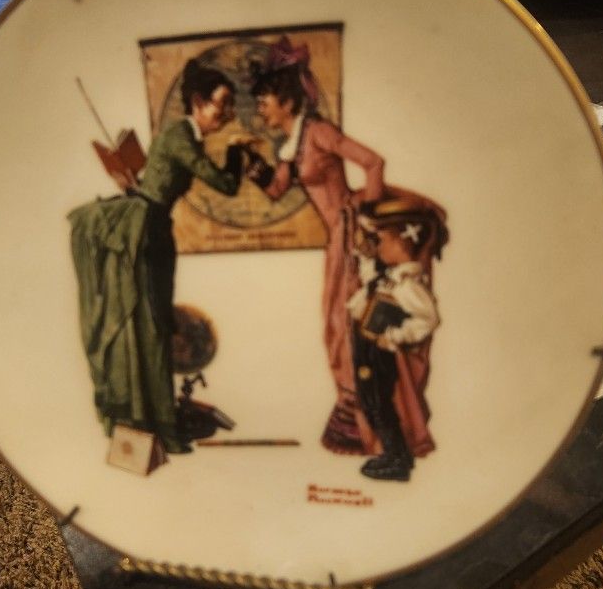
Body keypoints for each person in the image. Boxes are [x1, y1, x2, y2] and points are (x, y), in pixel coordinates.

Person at [245, 36, 447, 457]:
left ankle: (370, 414)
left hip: (351, 231)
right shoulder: (291, 145)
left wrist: (368, 221)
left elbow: (373, 163)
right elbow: (277, 190)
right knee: (337, 325)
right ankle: (357, 408)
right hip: (338, 236)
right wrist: (250, 164)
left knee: (349, 323)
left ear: (286, 99)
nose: (259, 107)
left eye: (264, 99)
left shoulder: (319, 132)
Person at [69, 59, 242, 454]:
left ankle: (155, 417)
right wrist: (235, 153)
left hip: (154, 226)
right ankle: (156, 422)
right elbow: (226, 185)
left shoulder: (185, 137)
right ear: (198, 102)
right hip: (144, 229)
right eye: (222, 104)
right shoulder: (180, 136)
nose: (228, 113)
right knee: (151, 325)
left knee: (156, 323)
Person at [347, 200, 442, 480]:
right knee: (370, 403)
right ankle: (393, 455)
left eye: (383, 240)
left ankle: (397, 459)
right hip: (364, 347)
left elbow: (427, 319)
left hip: (379, 352)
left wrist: (395, 336)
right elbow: (369, 283)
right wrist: (365, 258)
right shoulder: (387, 277)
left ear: (403, 242)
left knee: (380, 405)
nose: (378, 246)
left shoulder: (407, 284)